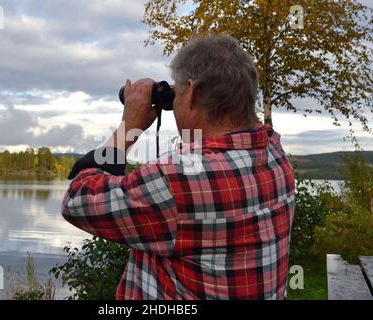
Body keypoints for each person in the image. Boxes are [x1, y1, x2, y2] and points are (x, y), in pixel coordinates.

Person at [61, 34, 295, 300]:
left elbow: (76, 200)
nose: (174, 103)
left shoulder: (180, 183)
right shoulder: (275, 155)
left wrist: (128, 127)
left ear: (193, 93)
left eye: (177, 93)